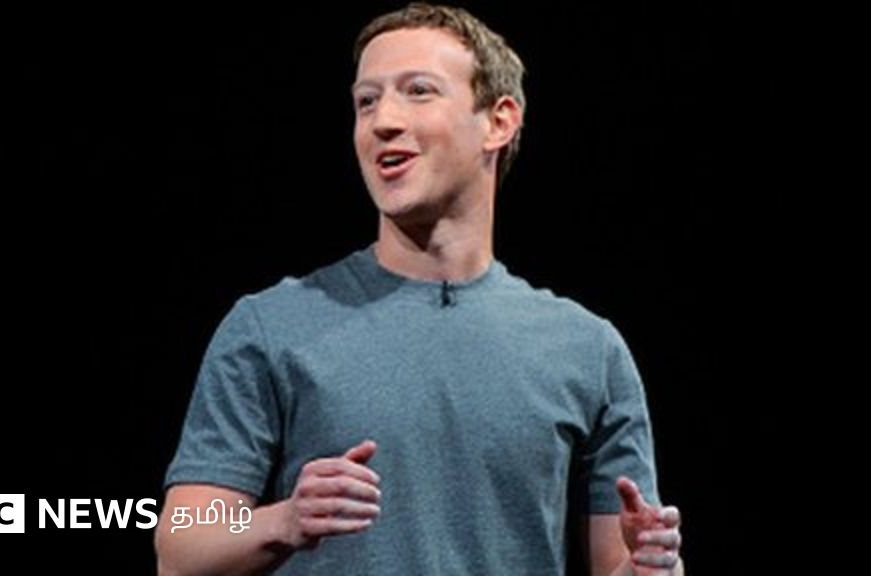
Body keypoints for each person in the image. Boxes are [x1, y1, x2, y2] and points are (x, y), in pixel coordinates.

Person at [156, 3, 683, 575]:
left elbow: (626, 563)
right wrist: (281, 520)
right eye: (366, 101)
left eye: (418, 91)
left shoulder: (588, 350)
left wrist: (652, 566)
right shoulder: (270, 326)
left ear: (499, 122)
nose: (383, 120)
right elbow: (182, 544)